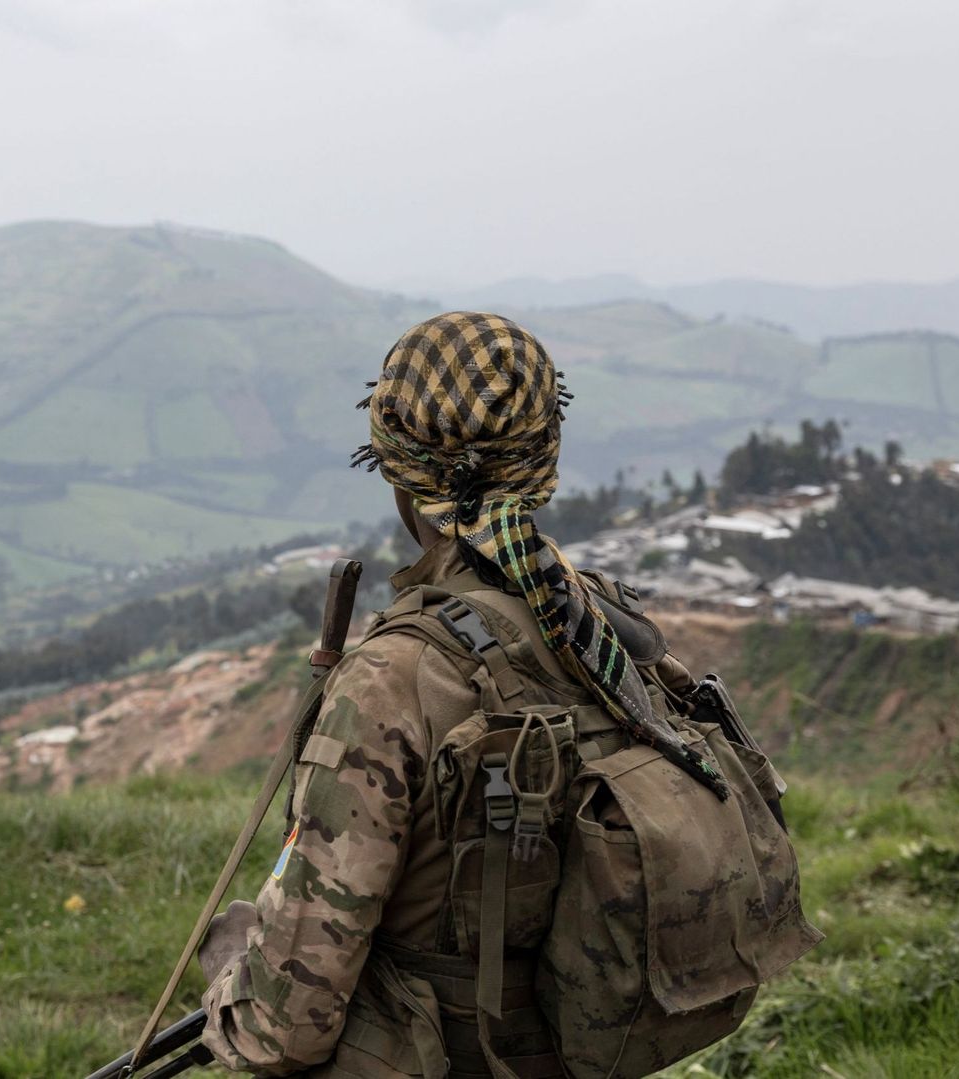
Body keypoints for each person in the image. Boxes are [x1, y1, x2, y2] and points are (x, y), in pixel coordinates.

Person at [193, 312, 805, 1078]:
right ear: (544, 455)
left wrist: (229, 969)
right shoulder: (602, 625)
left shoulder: (393, 678)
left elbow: (287, 1031)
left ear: (396, 470)